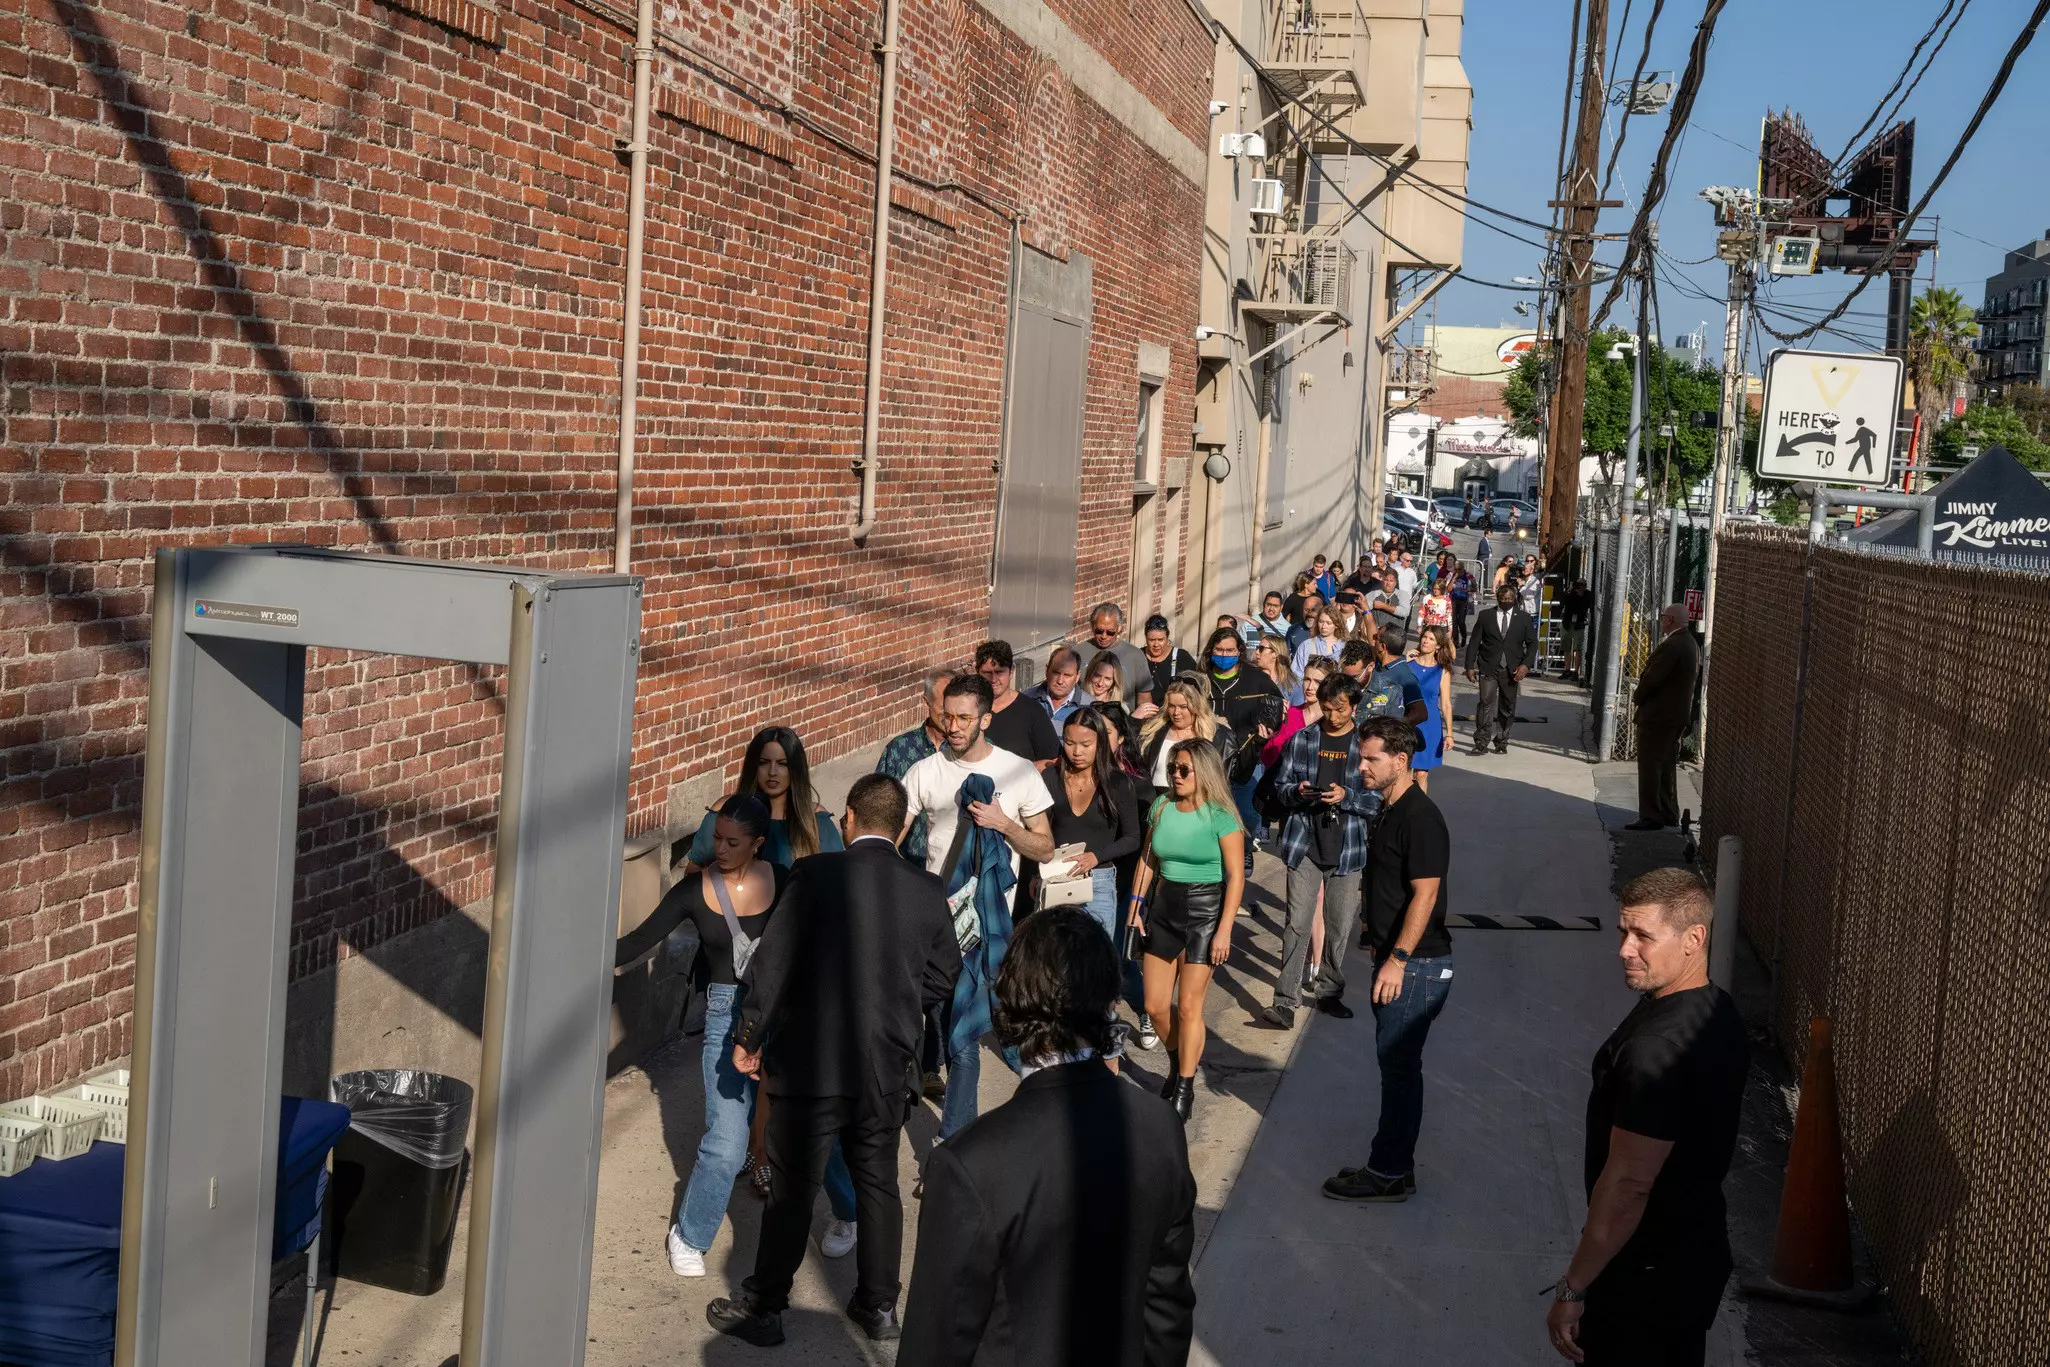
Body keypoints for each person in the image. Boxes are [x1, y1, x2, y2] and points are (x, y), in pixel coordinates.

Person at [706, 776, 963, 1347]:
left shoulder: (815, 875)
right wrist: (899, 1004)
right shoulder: (926, 890)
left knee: (793, 1188)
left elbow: (773, 964)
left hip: (812, 1063)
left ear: (848, 818)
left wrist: (749, 1033)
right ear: (903, 828)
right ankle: (878, 1308)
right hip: (885, 1066)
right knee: (879, 1185)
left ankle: (767, 1307)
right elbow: (944, 977)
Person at [900, 908, 1197, 1366]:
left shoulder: (968, 1165)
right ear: (1108, 1003)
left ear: (1009, 1001)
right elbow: (1167, 1310)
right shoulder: (1161, 1126)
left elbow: (935, 1344)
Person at [616, 797, 859, 1278]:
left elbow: (821, 943)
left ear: (758, 843)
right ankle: (689, 1234)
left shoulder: (787, 882)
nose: (719, 849)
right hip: (727, 1017)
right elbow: (636, 942)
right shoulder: (693, 892)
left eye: (732, 842)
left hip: (785, 1015)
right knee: (726, 1141)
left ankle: (849, 1214)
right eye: (717, 839)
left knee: (812, 1129)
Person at [1546, 868, 1746, 1366]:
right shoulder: (1714, 1010)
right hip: (1691, 1257)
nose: (1624, 949)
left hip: (1643, 1276)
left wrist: (1573, 1288)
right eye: (1623, 932)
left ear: (1694, 939)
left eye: (1643, 937)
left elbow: (1629, 1185)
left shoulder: (1656, 1051)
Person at [901, 674, 1058, 1139]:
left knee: (965, 1038)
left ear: (986, 719)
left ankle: (955, 1143)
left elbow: (1046, 848)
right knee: (944, 1029)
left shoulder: (1019, 772)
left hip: (987, 929)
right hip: (935, 926)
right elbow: (890, 839)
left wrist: (1003, 824)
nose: (953, 725)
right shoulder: (925, 772)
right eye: (948, 715)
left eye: (965, 717)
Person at [1322, 716, 1452, 1204]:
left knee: (1399, 1071)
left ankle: (1389, 1172)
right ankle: (1394, 1166)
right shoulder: (1388, 809)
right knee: (1398, 1068)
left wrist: (1397, 957)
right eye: (1361, 756)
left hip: (1416, 968)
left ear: (1401, 760)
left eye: (1372, 758)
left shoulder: (1420, 817)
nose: (1363, 767)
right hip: (1402, 962)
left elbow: (1425, 895)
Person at [1128, 739, 1244, 1123]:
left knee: (1191, 1006)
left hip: (1205, 912)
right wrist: (1135, 907)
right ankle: (1180, 1062)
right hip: (1163, 907)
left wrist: (1225, 929)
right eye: (1173, 769)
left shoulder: (1222, 816)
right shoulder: (1161, 807)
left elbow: (1235, 876)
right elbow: (1148, 860)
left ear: (1204, 773)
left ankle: (1184, 1086)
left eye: (1184, 770)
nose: (1175, 776)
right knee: (1155, 1007)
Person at [1262, 672, 1378, 1028]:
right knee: (1296, 924)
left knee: (1340, 926)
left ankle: (1329, 992)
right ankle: (1285, 1000)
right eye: (1327, 708)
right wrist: (1296, 792)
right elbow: (1279, 790)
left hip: (1349, 848)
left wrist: (1348, 797)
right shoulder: (1303, 739)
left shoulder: (1368, 746)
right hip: (1305, 844)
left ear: (1354, 707)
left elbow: (1378, 801)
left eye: (1340, 709)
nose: (1332, 715)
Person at [1040, 708, 1143, 946]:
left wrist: (1097, 857)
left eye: (1086, 744)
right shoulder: (1050, 778)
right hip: (1055, 875)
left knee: (1096, 963)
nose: (1077, 752)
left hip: (1099, 880)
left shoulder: (1117, 783)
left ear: (1100, 743)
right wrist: (1037, 874)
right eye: (1069, 743)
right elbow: (1039, 831)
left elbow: (1132, 838)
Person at [681, 725, 841, 872]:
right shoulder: (727, 810)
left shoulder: (815, 820)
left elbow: (837, 879)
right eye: (764, 763)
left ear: (795, 769)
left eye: (782, 764)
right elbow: (693, 872)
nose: (772, 772)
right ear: (754, 767)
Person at [1203, 626, 1284, 861]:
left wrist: (1266, 731)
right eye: (1219, 650)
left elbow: (1275, 708)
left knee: (1245, 813)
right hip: (1208, 759)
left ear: (1239, 651)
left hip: (1246, 755)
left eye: (1230, 651)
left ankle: (1244, 848)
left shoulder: (1256, 679)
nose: (1225, 655)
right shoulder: (1201, 678)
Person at [1627, 606, 1701, 831]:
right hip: (1674, 717)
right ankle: (1668, 812)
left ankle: (1651, 815)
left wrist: (1638, 697)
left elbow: (1652, 679)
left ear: (1669, 619)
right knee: (1666, 766)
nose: (1662, 622)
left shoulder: (1672, 646)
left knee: (1650, 766)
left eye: (1663, 618)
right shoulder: (1689, 643)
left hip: (1658, 716)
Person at [876, 666, 958, 864]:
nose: (951, 718)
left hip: (956, 870)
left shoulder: (972, 750)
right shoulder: (899, 749)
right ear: (926, 702)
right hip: (906, 864)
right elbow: (879, 807)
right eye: (943, 710)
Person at [1135, 677, 1234, 807]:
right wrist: (1133, 721)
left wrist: (1255, 747)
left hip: (1198, 804)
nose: (1176, 713)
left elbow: (1235, 776)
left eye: (1183, 707)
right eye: (1171, 706)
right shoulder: (1153, 731)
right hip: (1155, 802)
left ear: (1196, 706)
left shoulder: (1217, 736)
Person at [1464, 582, 1537, 755]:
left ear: (1515, 599)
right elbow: (1474, 643)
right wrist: (1470, 666)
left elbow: (1532, 644)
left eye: (1510, 599)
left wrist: (1525, 665)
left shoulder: (1523, 618)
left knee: (1507, 706)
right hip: (1489, 666)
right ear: (1498, 599)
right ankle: (1481, 741)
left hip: (1511, 669)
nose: (1506, 601)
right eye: (1503, 599)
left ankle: (1502, 741)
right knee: (1485, 703)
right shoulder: (1485, 616)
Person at [976, 641, 1061, 768]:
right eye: (987, 673)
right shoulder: (970, 709)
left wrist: (1021, 773)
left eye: (999, 672)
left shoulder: (1032, 711)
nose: (993, 680)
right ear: (977, 672)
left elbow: (1053, 760)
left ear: (1011, 672)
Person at [1408, 627, 1455, 792]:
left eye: (1431, 639)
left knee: (1421, 774)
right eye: (1425, 637)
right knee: (1404, 773)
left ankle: (1420, 813)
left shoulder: (1442, 670)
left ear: (1438, 646)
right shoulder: (1408, 664)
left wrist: (1449, 733)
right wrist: (1403, 661)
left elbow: (1446, 704)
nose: (1426, 641)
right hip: (1407, 723)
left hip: (1430, 725)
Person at [1081, 650, 1141, 769]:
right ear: (1090, 674)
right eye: (1097, 675)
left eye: (1108, 678)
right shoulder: (1079, 701)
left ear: (1115, 681)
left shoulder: (1121, 708)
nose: (1101, 683)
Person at [1135, 614, 1199, 716]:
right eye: (1151, 640)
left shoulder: (1181, 657)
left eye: (1161, 640)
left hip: (1173, 716)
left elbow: (1196, 690)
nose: (1156, 645)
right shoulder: (1137, 655)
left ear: (1167, 638)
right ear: (1146, 638)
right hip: (1144, 716)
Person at [1087, 603, 1151, 706]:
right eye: (1099, 631)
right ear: (1092, 626)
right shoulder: (1078, 652)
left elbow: (1144, 699)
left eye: (1110, 632)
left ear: (1119, 628)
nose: (1104, 636)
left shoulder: (1135, 655)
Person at [1022, 644, 1085, 727]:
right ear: (1046, 670)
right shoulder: (1026, 698)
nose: (1060, 681)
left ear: (1077, 677)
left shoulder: (1089, 706)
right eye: (1056, 672)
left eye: (1067, 675)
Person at [1289, 603, 1344, 677]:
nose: (1324, 626)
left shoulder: (1343, 647)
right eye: (1321, 622)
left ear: (1336, 625)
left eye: (1328, 623)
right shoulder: (1306, 645)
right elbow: (1296, 673)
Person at [1560, 578, 1594, 682]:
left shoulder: (1587, 595)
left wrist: (1581, 596)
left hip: (1578, 624)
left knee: (1577, 648)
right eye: (1578, 585)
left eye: (1583, 585)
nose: (1580, 587)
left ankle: (1575, 671)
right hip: (1567, 623)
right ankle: (1567, 670)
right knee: (1566, 647)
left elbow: (1587, 606)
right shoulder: (1570, 593)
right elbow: (1564, 602)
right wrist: (1571, 591)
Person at [1449, 562, 1477, 649]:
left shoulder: (1469, 576)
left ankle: (1464, 636)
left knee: (1461, 621)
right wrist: (1453, 579)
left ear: (1463, 568)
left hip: (1464, 601)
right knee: (1453, 622)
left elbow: (1475, 588)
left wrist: (1468, 590)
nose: (1457, 571)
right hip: (1453, 600)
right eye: (1456, 569)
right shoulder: (1452, 575)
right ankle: (1456, 642)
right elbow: (1448, 589)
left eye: (1459, 569)